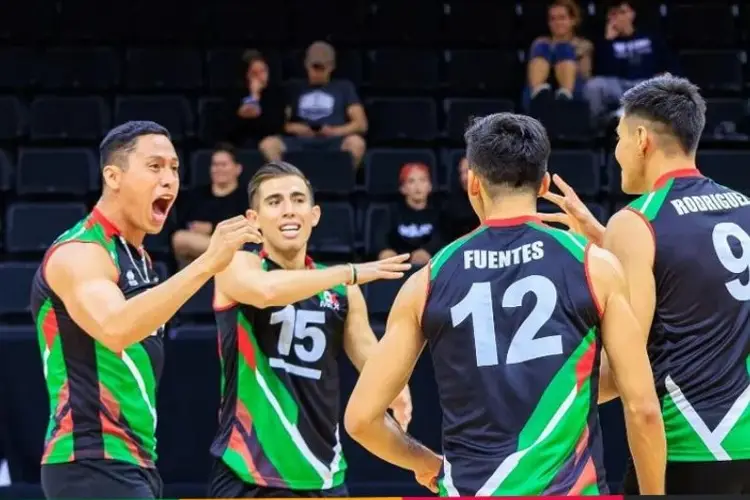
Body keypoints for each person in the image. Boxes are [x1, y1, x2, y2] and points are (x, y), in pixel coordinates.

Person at [344, 113, 665, 496]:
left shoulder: (428, 280)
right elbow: (642, 407)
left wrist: (426, 463)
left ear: (474, 183)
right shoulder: (593, 264)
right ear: (543, 183)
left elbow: (361, 419)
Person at [30, 121, 261, 500]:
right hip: (90, 457)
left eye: (174, 168)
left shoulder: (138, 258)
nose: (169, 179)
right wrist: (207, 263)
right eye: (154, 167)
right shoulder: (81, 251)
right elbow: (116, 329)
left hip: (134, 460)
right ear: (113, 176)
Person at [542, 74, 750, 494]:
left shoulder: (638, 221)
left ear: (641, 139)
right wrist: (605, 239)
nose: (616, 152)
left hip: (690, 444)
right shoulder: (743, 208)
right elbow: (695, 274)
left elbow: (623, 371)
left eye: (618, 138)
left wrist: (541, 404)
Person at [208, 161, 413, 498]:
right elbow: (266, 291)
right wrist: (350, 272)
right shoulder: (238, 264)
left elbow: (374, 363)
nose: (289, 211)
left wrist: (396, 389)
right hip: (250, 473)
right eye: (274, 202)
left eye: (298, 200)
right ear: (253, 220)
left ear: (314, 214)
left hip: (324, 477)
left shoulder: (342, 291)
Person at [172, 143, 248, 266]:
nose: (218, 169)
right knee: (180, 238)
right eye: (215, 165)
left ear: (238, 169)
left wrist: (211, 228)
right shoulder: (196, 195)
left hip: (234, 252)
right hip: (197, 255)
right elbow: (184, 226)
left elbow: (245, 229)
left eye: (223, 165)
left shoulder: (246, 197)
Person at [524, 0, 592, 111]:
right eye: (553, 19)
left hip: (574, 89)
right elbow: (530, 74)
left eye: (562, 18)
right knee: (542, 46)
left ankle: (564, 97)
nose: (557, 22)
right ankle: (539, 96)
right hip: (542, 85)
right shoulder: (540, 43)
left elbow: (585, 76)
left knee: (564, 49)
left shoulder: (584, 45)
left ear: (573, 20)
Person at [376, 162, 443, 266]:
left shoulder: (439, 211)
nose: (417, 186)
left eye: (422, 180)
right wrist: (385, 251)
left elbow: (442, 238)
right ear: (403, 188)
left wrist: (428, 251)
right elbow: (380, 238)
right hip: (397, 264)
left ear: (430, 186)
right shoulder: (392, 211)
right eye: (411, 181)